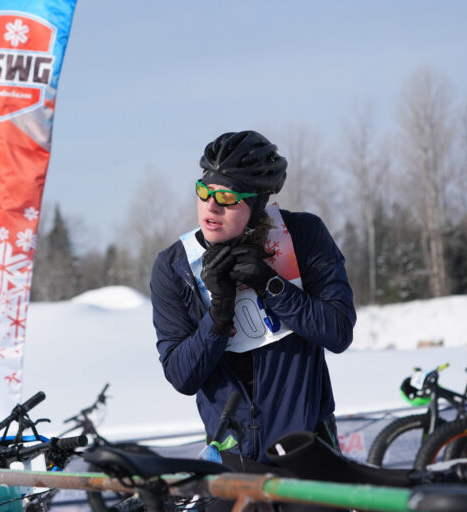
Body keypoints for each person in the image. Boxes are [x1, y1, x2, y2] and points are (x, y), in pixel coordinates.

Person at [150, 130, 356, 471]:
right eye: (204, 191)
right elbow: (182, 376)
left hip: (307, 450)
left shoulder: (303, 235)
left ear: (257, 202)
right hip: (234, 458)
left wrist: (270, 283)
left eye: (227, 197)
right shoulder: (175, 266)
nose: (211, 206)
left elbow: (338, 331)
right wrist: (219, 314)